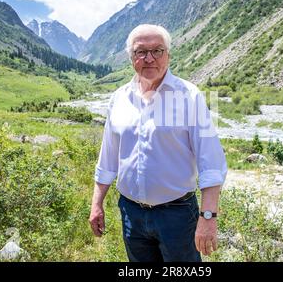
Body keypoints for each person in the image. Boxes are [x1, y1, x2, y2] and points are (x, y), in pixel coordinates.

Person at [89, 24, 227, 262]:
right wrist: (96, 204)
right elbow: (108, 157)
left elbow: (211, 162)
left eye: (157, 51)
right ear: (131, 57)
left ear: (168, 55)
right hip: (131, 212)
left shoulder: (190, 96)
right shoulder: (119, 98)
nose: (149, 58)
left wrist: (208, 216)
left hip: (178, 215)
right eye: (140, 52)